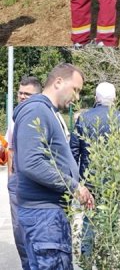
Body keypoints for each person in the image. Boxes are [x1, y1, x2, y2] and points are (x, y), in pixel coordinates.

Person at [12, 64, 95, 270]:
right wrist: (73, 186)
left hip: (47, 215)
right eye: (75, 89)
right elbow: (31, 162)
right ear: (58, 82)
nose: (76, 98)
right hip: (44, 217)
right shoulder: (36, 110)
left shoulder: (46, 111)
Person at [70, 82, 120, 259]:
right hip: (114, 181)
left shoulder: (83, 118)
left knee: (89, 220)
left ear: (96, 98)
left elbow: (73, 152)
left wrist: (76, 182)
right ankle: (109, 258)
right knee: (113, 219)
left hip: (89, 182)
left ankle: (87, 260)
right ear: (114, 99)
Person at [5, 76, 42, 270]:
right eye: (20, 92)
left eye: (27, 94)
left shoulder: (43, 115)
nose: (22, 96)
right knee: (19, 230)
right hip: (18, 181)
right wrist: (11, 178)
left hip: (37, 184)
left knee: (35, 230)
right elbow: (10, 148)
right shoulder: (15, 117)